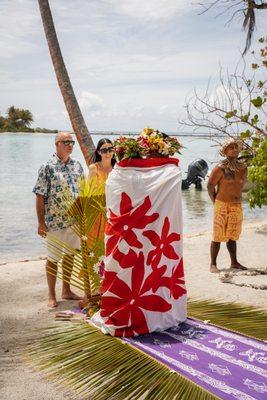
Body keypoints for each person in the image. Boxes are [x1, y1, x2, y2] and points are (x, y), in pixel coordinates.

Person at [33, 132, 84, 307]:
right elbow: (40, 196)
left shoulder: (77, 166)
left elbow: (83, 192)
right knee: (53, 258)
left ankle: (67, 290)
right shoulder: (47, 167)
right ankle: (51, 295)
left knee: (70, 256)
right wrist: (41, 223)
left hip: (75, 221)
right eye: (66, 142)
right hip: (54, 221)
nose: (70, 145)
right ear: (57, 144)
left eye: (72, 142)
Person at [207, 138, 248, 273]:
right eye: (231, 147)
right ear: (225, 151)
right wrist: (215, 202)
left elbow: (240, 186)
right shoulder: (220, 168)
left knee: (232, 235)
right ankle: (213, 264)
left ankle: (234, 262)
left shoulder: (243, 168)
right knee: (218, 235)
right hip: (222, 204)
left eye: (236, 147)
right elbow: (210, 185)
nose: (234, 149)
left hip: (236, 205)